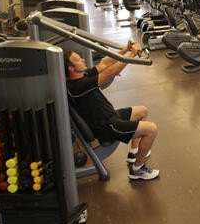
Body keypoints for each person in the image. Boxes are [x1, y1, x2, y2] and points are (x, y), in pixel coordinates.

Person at [64, 42, 159, 181]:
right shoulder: (77, 86)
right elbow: (109, 72)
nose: (83, 60)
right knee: (151, 130)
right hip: (107, 126)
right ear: (71, 68)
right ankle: (137, 169)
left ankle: (134, 153)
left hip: (111, 116)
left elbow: (105, 64)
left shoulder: (82, 75)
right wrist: (132, 54)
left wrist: (125, 49)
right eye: (78, 59)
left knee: (142, 111)